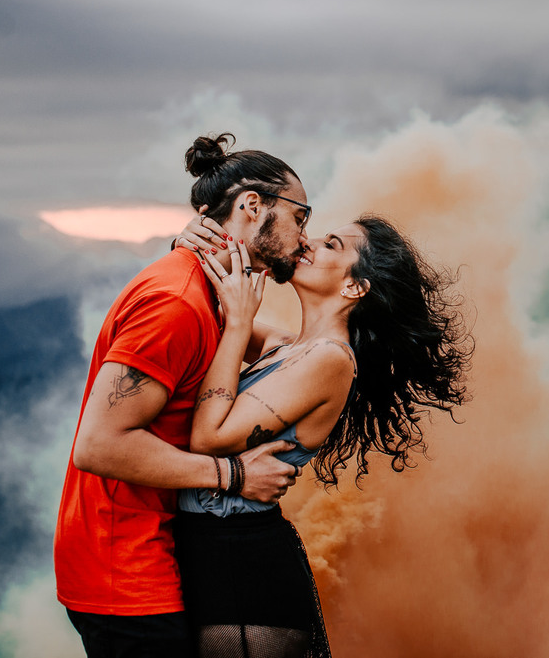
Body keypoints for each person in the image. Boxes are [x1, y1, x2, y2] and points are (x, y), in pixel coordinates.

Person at [54, 134, 314, 658]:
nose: (304, 237)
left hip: (154, 556)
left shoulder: (211, 288)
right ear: (251, 206)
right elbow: (98, 446)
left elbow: (287, 352)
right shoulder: (176, 304)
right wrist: (236, 476)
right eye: (301, 216)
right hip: (124, 573)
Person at [169, 212, 472, 658]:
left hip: (243, 569)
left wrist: (236, 324)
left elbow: (209, 439)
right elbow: (205, 310)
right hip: (216, 553)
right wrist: (187, 247)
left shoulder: (330, 360)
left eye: (332, 244)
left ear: (355, 287)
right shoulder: (289, 348)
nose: (308, 243)